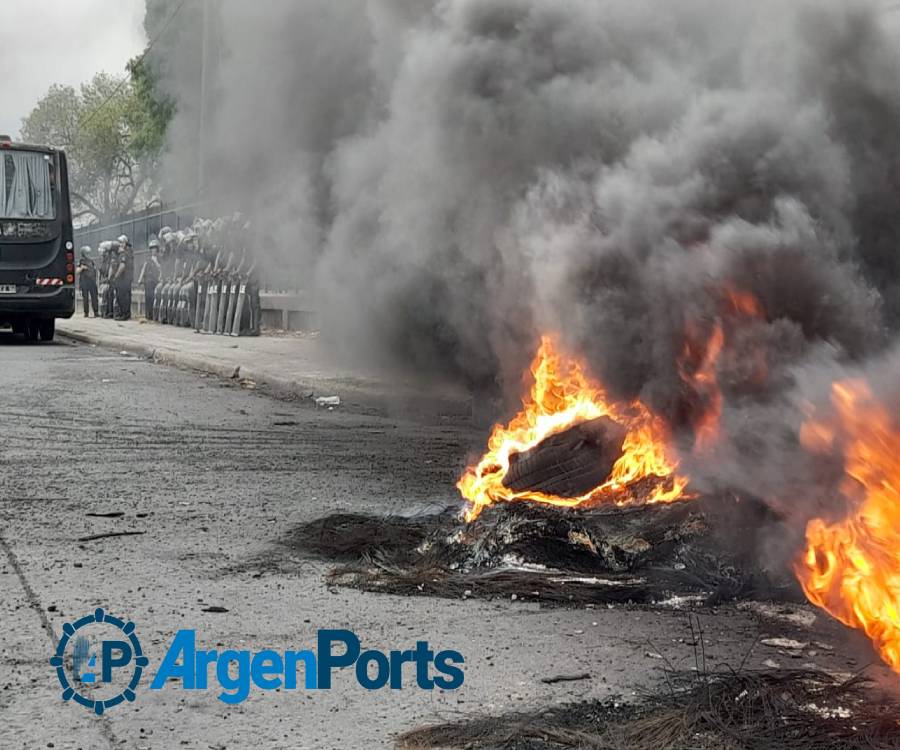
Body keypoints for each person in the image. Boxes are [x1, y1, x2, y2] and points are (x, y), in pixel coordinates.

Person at [138, 239, 162, 320]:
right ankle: (148, 315)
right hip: (148, 282)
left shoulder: (160, 259)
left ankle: (155, 315)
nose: (153, 250)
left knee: (156, 298)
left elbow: (161, 269)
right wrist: (140, 280)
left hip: (156, 282)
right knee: (148, 298)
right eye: (152, 248)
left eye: (155, 248)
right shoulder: (148, 260)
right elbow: (143, 270)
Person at [76, 247, 99, 317]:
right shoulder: (81, 261)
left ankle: (96, 312)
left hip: (92, 281)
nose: (88, 254)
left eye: (89, 253)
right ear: (84, 253)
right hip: (84, 281)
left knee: (94, 297)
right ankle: (86, 313)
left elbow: (95, 270)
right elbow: (77, 271)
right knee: (85, 297)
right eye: (87, 253)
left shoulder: (91, 261)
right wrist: (81, 268)